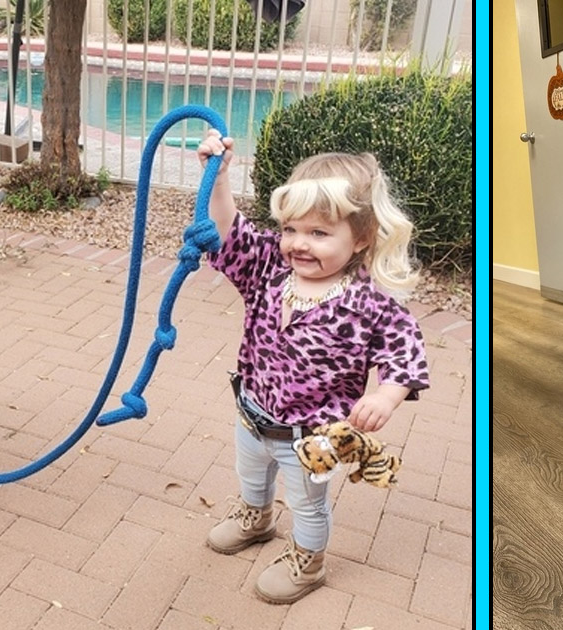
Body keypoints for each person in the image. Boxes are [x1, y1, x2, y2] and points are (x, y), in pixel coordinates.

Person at [195, 129, 430, 604]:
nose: (299, 244)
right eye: (291, 229)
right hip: (252, 413)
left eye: (319, 233)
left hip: (311, 438)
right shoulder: (269, 268)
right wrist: (217, 180)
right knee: (251, 475)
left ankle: (309, 561)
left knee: (307, 504)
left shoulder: (370, 303)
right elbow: (227, 232)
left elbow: (405, 352)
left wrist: (385, 396)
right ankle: (257, 517)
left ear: (361, 238)